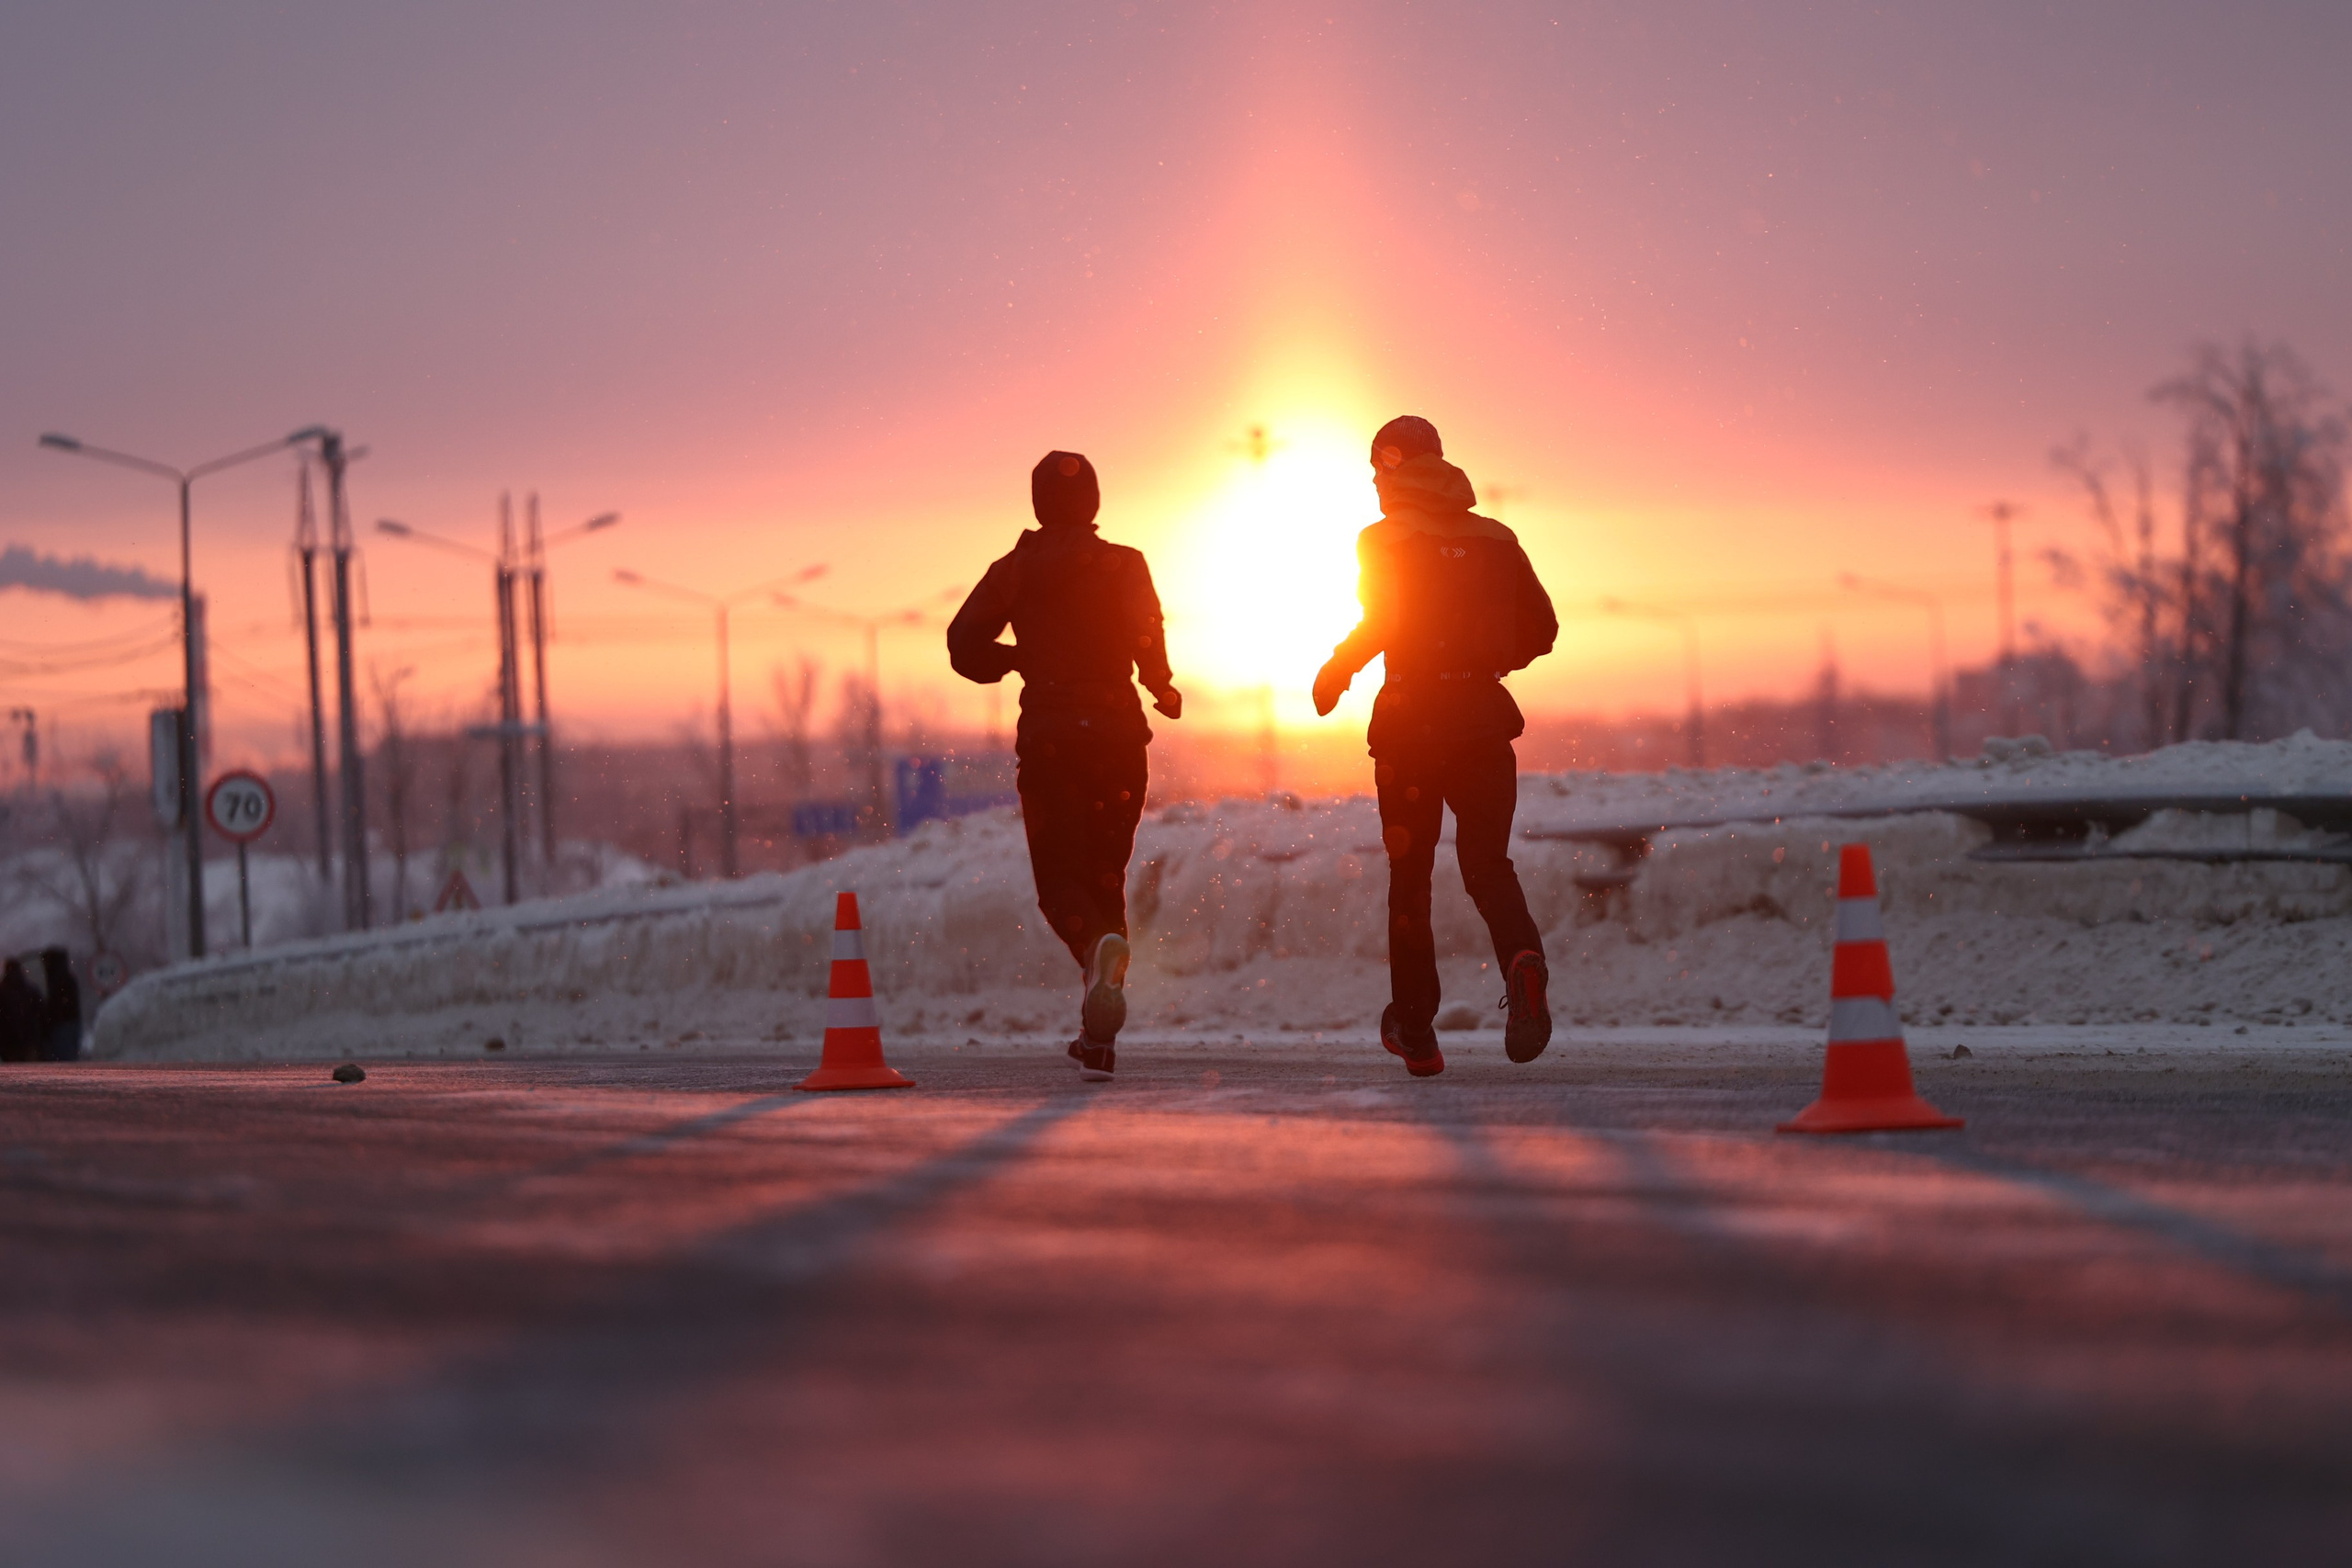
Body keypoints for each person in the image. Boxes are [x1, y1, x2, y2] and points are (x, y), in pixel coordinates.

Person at [1313, 415, 1559, 1077]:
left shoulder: (1382, 539)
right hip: (1481, 720)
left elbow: (1384, 618)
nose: (1372, 479)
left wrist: (1338, 668)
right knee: (1486, 865)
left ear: (1394, 466)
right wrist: (1488, 660)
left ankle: (1417, 1029)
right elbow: (1544, 627)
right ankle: (1521, 961)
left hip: (1411, 725)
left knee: (1410, 877)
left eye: (1376, 467)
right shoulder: (1497, 537)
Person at [948, 450, 1182, 1082]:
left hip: (1054, 736)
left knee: (1061, 881)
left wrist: (1018, 658)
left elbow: (961, 643)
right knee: (1106, 877)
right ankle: (1097, 1035)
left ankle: (1092, 958)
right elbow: (1147, 632)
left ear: (1038, 503)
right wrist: (1160, 684)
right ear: (1095, 503)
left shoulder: (1017, 567)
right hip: (1117, 733)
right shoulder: (1126, 563)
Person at [39, 948, 82, 1063]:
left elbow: (56, 1006)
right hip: (68, 1025)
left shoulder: (57, 981)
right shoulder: (68, 979)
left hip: (60, 1027)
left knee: (63, 1061)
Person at [0, 957, 40, 1066]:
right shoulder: (31, 990)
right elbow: (40, 1014)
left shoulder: (3, 991)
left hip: (8, 1042)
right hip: (27, 1039)